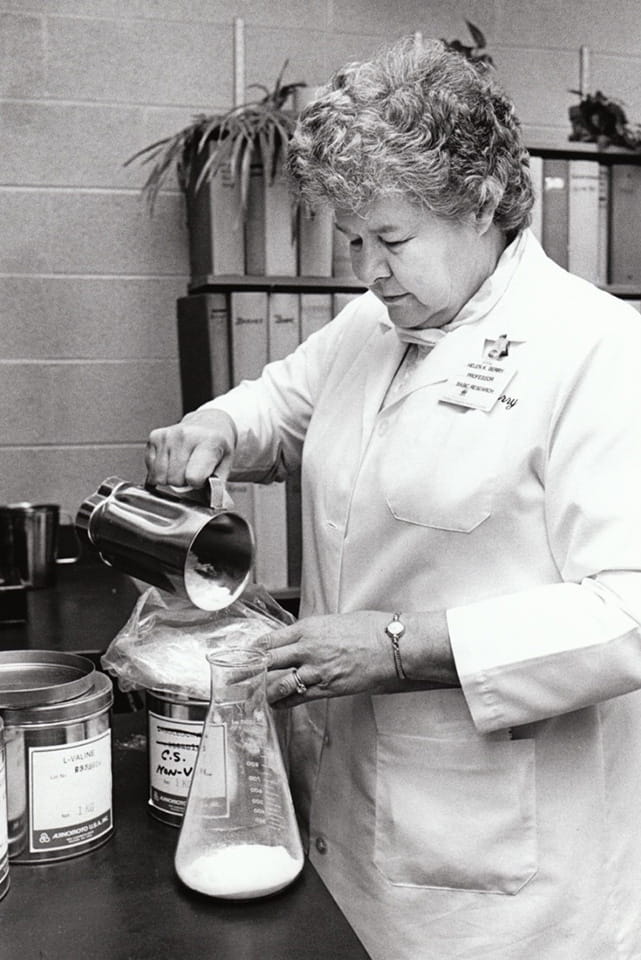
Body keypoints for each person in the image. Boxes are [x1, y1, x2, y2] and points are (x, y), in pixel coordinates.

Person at [145, 37, 641, 960]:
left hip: (500, 874)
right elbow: (280, 406)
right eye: (352, 241)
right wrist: (214, 427)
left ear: (484, 202)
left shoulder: (599, 349)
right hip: (340, 805)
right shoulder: (372, 325)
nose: (367, 270)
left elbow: (626, 612)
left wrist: (396, 646)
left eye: (391, 240)